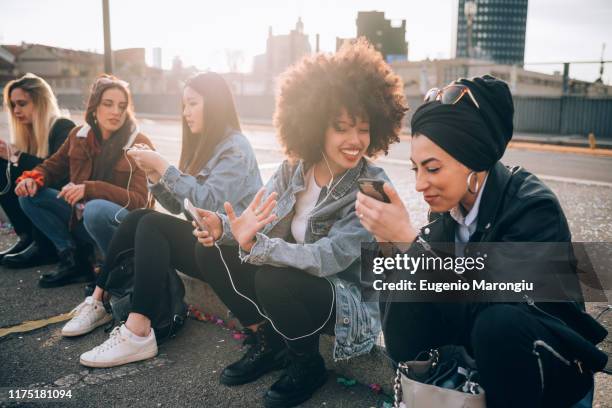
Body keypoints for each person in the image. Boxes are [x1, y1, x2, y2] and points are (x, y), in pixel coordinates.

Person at [356, 75, 608, 408]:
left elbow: (494, 309)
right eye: (416, 168)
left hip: (551, 375)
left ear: (473, 160)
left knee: (496, 323)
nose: (419, 184)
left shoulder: (534, 208)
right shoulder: (447, 219)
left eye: (432, 169)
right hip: (482, 374)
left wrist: (412, 245)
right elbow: (405, 335)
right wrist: (392, 248)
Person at [191, 39, 407, 408]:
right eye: (341, 128)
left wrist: (256, 245)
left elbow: (329, 257)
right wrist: (224, 231)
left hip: (346, 302)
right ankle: (268, 342)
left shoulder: (372, 185)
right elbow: (254, 223)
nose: (355, 141)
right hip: (297, 287)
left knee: (272, 276)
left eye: (363, 129)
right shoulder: (294, 169)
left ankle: (306, 365)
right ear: (315, 125)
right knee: (210, 252)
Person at [71, 72, 263, 369]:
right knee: (140, 218)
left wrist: (163, 165)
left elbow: (209, 204)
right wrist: (153, 176)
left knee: (151, 224)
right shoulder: (203, 145)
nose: (185, 112)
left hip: (234, 251)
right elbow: (178, 206)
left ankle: (137, 332)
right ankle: (98, 298)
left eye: (192, 104)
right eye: (183, 105)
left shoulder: (234, 146)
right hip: (208, 246)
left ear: (214, 104)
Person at [15, 74, 153, 288]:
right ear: (94, 107)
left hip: (121, 227)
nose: (116, 111)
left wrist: (90, 189)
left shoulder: (139, 143)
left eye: (122, 106)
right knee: (30, 196)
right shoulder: (78, 135)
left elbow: (139, 201)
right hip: (82, 220)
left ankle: (118, 270)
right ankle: (75, 261)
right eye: (108, 104)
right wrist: (32, 179)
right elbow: (52, 166)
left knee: (95, 209)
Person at [1, 73, 74, 266]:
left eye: (22, 103)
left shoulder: (63, 127)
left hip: (66, 203)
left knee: (31, 187)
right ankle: (27, 237)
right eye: (12, 105)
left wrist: (17, 156)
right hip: (44, 203)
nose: (16, 110)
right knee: (2, 168)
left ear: (41, 102)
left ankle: (47, 247)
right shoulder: (29, 132)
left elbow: (58, 175)